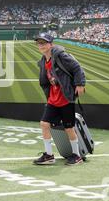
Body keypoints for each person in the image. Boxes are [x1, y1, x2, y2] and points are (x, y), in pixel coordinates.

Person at [33, 32, 86, 166]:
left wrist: (80, 84)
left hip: (66, 98)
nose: (41, 45)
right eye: (39, 43)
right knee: (44, 124)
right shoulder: (43, 60)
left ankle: (77, 155)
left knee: (69, 128)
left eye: (44, 43)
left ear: (51, 44)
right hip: (53, 99)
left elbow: (77, 67)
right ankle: (49, 155)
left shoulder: (61, 56)